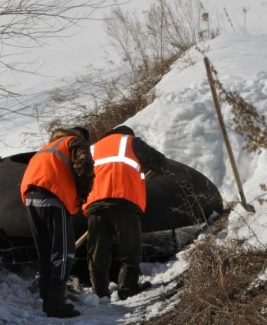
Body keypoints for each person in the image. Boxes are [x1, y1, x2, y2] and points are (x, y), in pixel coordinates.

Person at [84, 125, 168, 300]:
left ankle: (99, 293)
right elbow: (161, 164)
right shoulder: (131, 141)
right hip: (124, 201)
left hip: (95, 203)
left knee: (98, 251)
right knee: (130, 249)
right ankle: (127, 289)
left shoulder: (92, 148)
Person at [21, 127, 94, 318]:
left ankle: (47, 300)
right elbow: (85, 166)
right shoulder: (74, 142)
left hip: (31, 199)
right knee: (63, 253)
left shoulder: (48, 147)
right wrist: (83, 193)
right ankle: (56, 304)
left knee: (45, 253)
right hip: (53, 198)